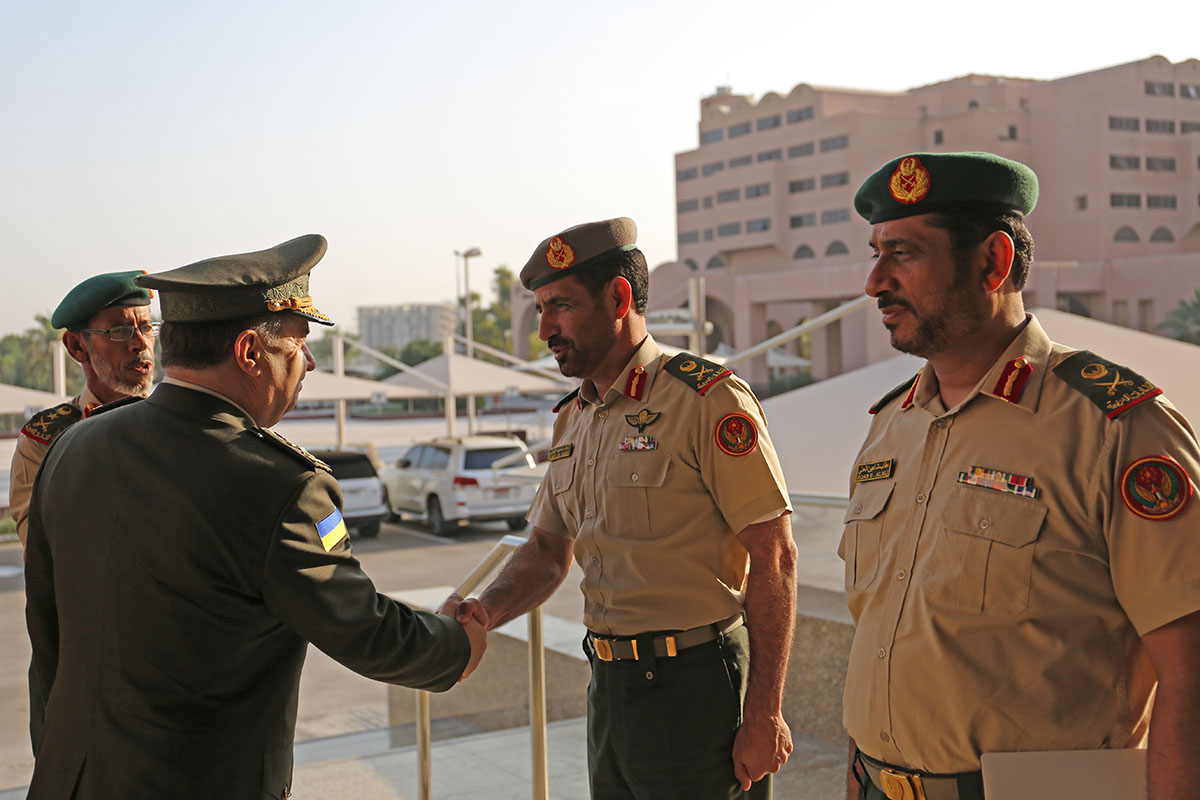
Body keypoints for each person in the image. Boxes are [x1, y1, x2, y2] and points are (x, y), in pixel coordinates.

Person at [24, 234, 486, 800]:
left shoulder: (73, 448)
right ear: (249, 352)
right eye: (298, 344)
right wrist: (457, 646)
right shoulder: (282, 484)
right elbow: (361, 626)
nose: (309, 361)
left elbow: (46, 639)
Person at [841, 152, 1200, 800]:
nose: (875, 281)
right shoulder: (890, 425)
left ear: (993, 262)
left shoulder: (1113, 427)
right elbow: (878, 632)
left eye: (903, 253)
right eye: (874, 253)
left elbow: (1190, 668)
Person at [456, 217, 798, 799]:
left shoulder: (704, 399)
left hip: (696, 688)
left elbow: (776, 558)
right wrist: (481, 613)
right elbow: (544, 552)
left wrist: (764, 711)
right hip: (609, 685)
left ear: (618, 297)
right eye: (540, 310)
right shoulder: (573, 417)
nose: (545, 329)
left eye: (559, 306)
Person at [8, 271, 156, 548]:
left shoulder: (178, 419)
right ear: (77, 347)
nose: (141, 343)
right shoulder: (44, 440)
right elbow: (45, 552)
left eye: (147, 327)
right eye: (120, 331)